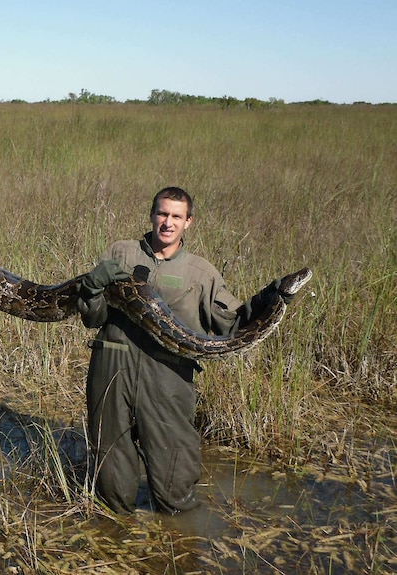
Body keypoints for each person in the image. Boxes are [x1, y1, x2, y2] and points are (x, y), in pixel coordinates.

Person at [77, 187, 293, 514]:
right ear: (152, 215)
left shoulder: (200, 273)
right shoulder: (120, 253)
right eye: (162, 214)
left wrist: (269, 299)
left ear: (188, 222)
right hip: (112, 367)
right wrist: (91, 288)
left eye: (176, 216)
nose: (168, 222)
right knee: (110, 469)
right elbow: (93, 318)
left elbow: (233, 327)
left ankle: (176, 540)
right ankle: (114, 536)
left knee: (173, 479)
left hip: (167, 377)